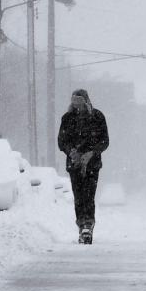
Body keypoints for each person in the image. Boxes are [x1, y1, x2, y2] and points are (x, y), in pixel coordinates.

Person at [57, 89, 110, 244]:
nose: (76, 103)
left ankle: (88, 224)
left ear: (86, 100)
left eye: (79, 100)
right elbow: (62, 141)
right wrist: (71, 151)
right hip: (74, 164)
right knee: (78, 196)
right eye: (74, 100)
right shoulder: (67, 118)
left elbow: (105, 141)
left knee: (89, 196)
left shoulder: (97, 116)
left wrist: (92, 153)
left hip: (92, 164)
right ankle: (81, 224)